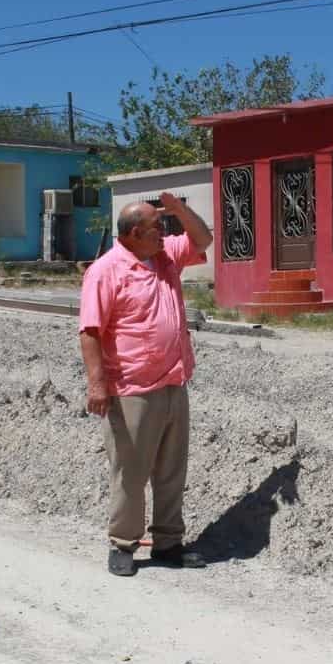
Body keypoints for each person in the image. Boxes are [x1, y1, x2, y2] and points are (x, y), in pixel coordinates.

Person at [79, 193, 213, 576]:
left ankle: (168, 542)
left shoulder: (166, 255)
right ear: (135, 233)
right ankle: (123, 544)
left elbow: (203, 240)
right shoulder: (105, 271)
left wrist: (181, 210)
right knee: (131, 472)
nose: (165, 232)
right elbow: (90, 331)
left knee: (172, 471)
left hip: (173, 381)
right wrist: (97, 385)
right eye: (158, 226)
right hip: (132, 390)